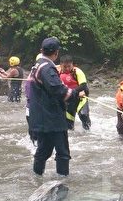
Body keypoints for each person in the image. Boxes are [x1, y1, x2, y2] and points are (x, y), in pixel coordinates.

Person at [26, 37, 87, 176]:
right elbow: (58, 90)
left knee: (44, 150)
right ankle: (62, 181)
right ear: (56, 53)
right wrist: (75, 93)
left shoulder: (38, 65)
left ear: (41, 50)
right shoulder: (47, 68)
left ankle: (36, 177)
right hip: (51, 117)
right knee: (62, 152)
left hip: (40, 115)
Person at [58, 55, 91, 130]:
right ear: (61, 65)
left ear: (72, 64)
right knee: (69, 125)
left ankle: (89, 133)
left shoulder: (77, 71)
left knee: (83, 115)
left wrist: (73, 92)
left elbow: (83, 85)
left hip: (80, 97)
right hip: (68, 100)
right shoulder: (57, 72)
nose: (67, 68)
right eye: (65, 67)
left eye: (69, 66)